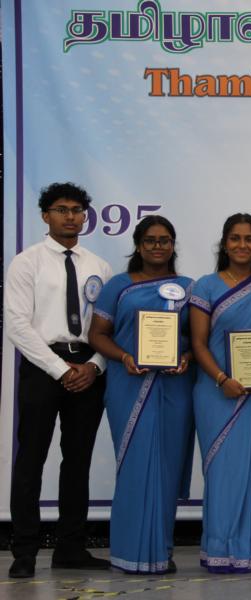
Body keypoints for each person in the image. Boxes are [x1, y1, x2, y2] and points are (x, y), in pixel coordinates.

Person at [4, 182, 113, 578]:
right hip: (43, 366)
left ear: (85, 217)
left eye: (77, 210)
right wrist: (59, 368)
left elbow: (109, 328)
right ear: (45, 215)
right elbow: (17, 324)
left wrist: (95, 366)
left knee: (78, 460)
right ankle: (24, 552)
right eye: (62, 209)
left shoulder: (99, 266)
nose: (71, 217)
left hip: (87, 367)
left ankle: (70, 548)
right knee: (31, 459)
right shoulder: (27, 262)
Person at [87, 215, 194, 574]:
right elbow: (97, 334)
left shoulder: (189, 288)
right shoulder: (118, 286)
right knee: (135, 465)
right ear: (138, 245)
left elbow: (198, 340)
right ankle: (130, 553)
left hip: (175, 388)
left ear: (173, 245)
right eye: (150, 240)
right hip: (129, 384)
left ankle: (159, 551)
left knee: (167, 466)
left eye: (164, 240)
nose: (157, 246)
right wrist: (124, 357)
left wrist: (186, 357)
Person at [189, 213, 251, 573]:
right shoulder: (206, 286)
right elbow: (198, 343)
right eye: (235, 238)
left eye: (249, 239)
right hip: (218, 394)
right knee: (223, 473)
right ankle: (221, 550)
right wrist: (221, 379)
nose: (242, 245)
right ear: (224, 244)